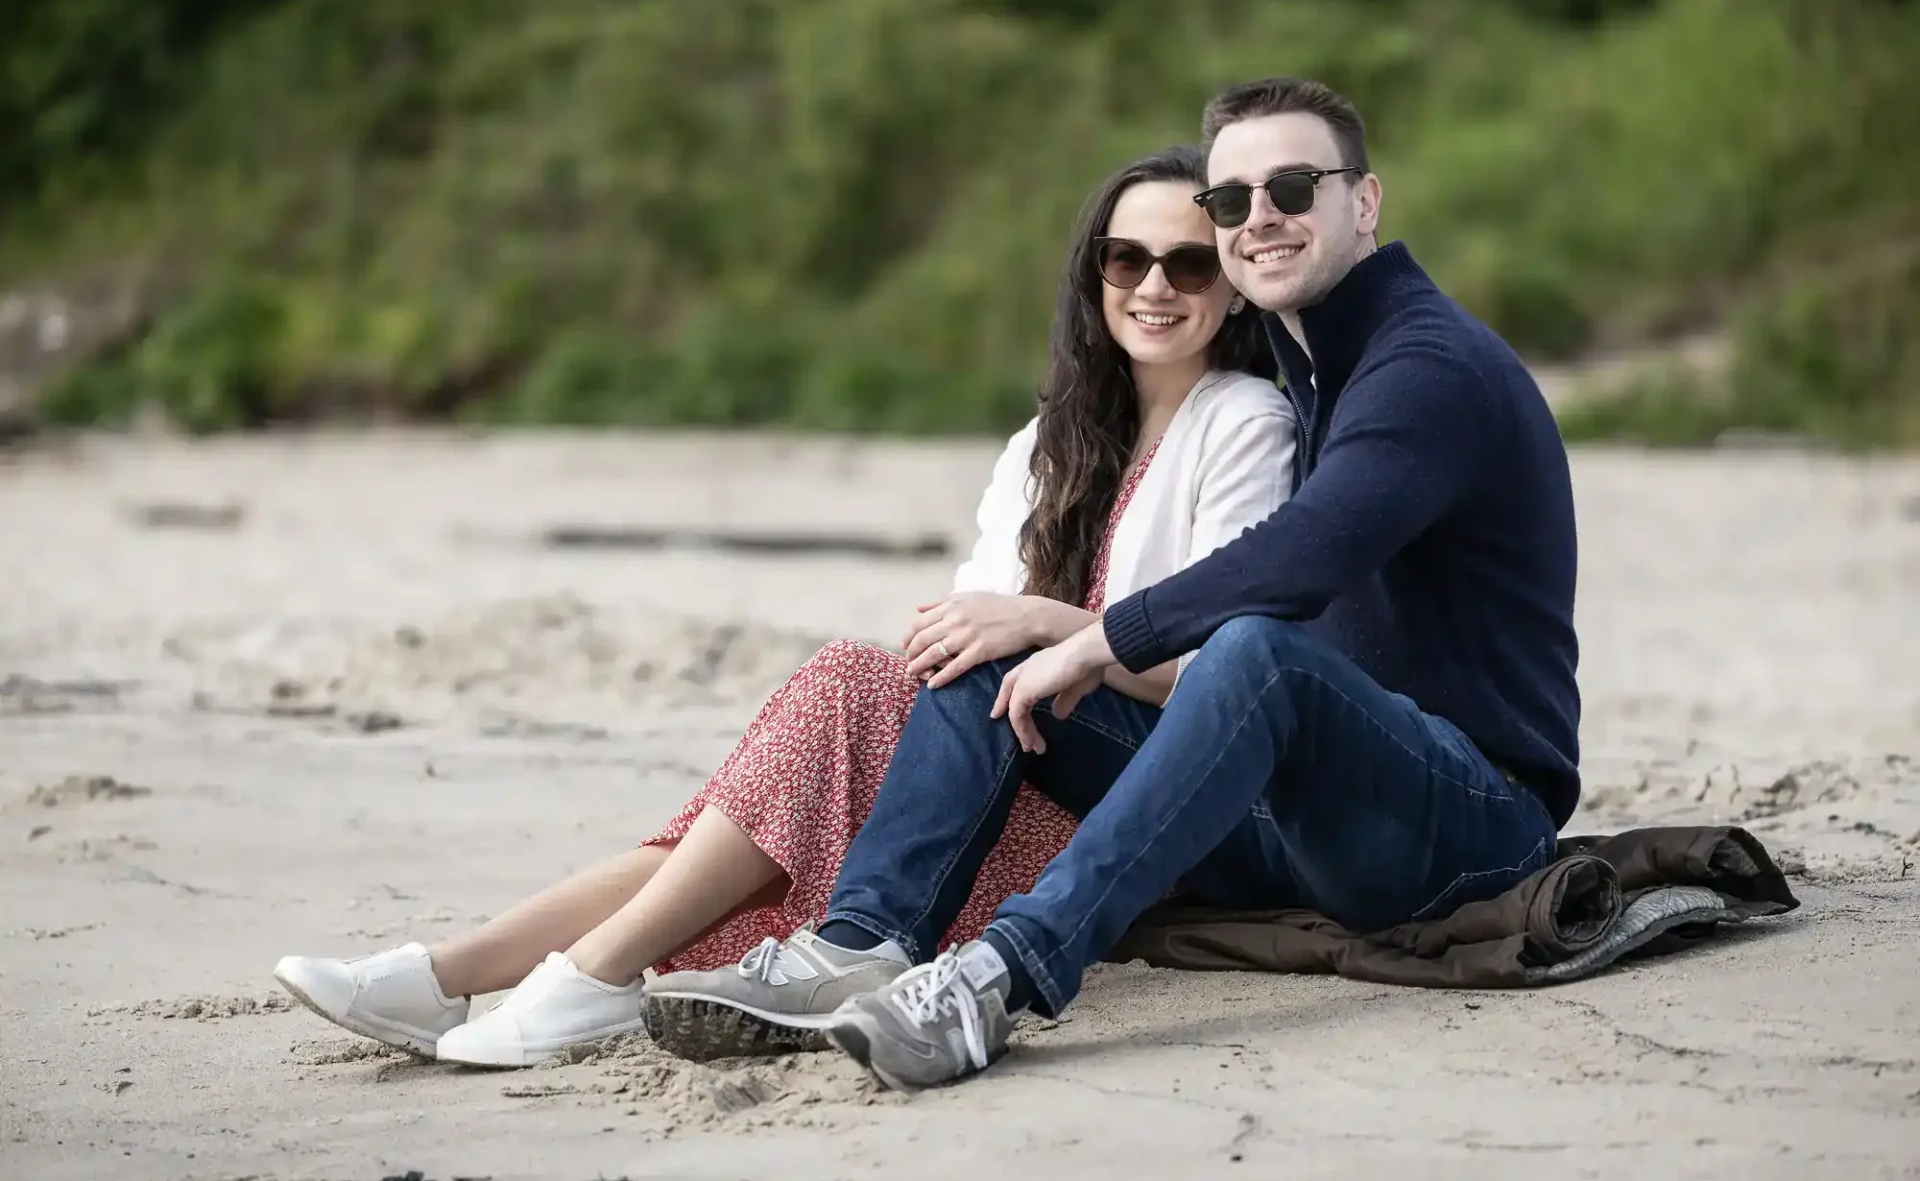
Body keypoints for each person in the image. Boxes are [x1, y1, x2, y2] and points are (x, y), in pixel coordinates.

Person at [643, 76, 1582, 1092]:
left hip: (1471, 813)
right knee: (996, 650)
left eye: (1295, 187)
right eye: (1233, 201)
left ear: (1364, 203)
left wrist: (1098, 635)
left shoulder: (1426, 366)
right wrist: (1043, 634)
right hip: (1306, 811)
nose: (1260, 217)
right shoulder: (1312, 360)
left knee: (1251, 649)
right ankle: (860, 944)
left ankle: (997, 979)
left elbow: (1311, 550)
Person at [270, 143, 1299, 1067]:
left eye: (1190, 263)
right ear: (1094, 276)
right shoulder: (1049, 445)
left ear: (1233, 289)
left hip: (1141, 803)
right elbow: (962, 642)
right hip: (998, 770)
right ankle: (481, 973)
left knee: (833, 720)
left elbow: (1221, 673)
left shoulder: (1245, 422)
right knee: (815, 748)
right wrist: (995, 635)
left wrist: (1047, 626)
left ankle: (546, 977)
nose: (1155, 285)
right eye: (1128, 260)